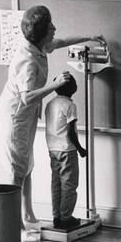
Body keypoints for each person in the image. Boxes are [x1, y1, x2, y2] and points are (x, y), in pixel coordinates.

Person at [0, 5, 103, 242]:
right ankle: (16, 228)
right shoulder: (27, 60)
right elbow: (26, 96)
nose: (55, 29)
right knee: (16, 171)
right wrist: (54, 85)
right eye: (50, 26)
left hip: (26, 115)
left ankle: (28, 215)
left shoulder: (40, 46)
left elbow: (62, 41)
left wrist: (90, 37)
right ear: (41, 32)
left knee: (27, 167)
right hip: (15, 115)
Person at [45, 73, 87, 230]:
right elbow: (70, 132)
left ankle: (57, 216)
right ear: (72, 88)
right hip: (67, 150)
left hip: (53, 149)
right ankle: (66, 217)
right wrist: (81, 149)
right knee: (69, 185)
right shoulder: (69, 105)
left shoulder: (50, 104)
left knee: (56, 183)